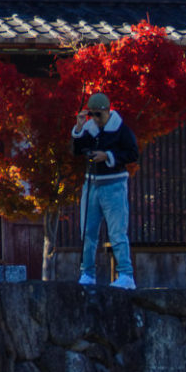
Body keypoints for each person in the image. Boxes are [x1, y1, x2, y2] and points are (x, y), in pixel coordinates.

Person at [71, 91, 140, 289]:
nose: (96, 119)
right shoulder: (90, 129)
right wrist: (79, 127)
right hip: (91, 183)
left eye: (98, 115)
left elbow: (133, 154)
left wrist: (108, 156)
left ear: (107, 111)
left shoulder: (121, 130)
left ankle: (126, 275)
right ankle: (87, 273)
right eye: (92, 115)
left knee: (117, 232)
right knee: (88, 232)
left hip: (114, 185)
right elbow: (76, 151)